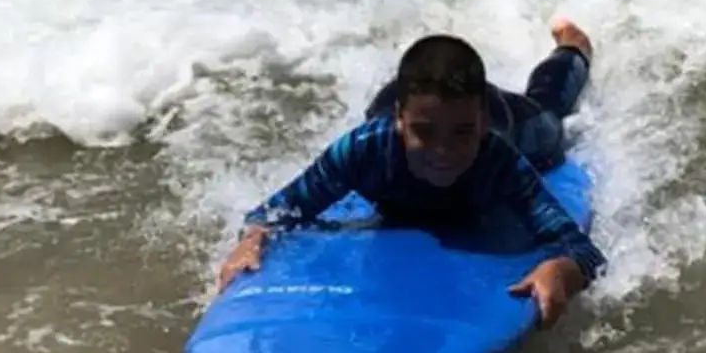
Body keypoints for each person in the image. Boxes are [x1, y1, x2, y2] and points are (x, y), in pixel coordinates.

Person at [214, 22, 602, 325]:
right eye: (424, 133)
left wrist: (563, 270)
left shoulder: (497, 157)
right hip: (430, 104)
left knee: (550, 112)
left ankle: (573, 46)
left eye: (462, 134)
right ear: (400, 121)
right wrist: (253, 237)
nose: (443, 152)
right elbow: (277, 211)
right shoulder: (365, 151)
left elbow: (582, 250)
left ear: (480, 123)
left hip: (512, 119)